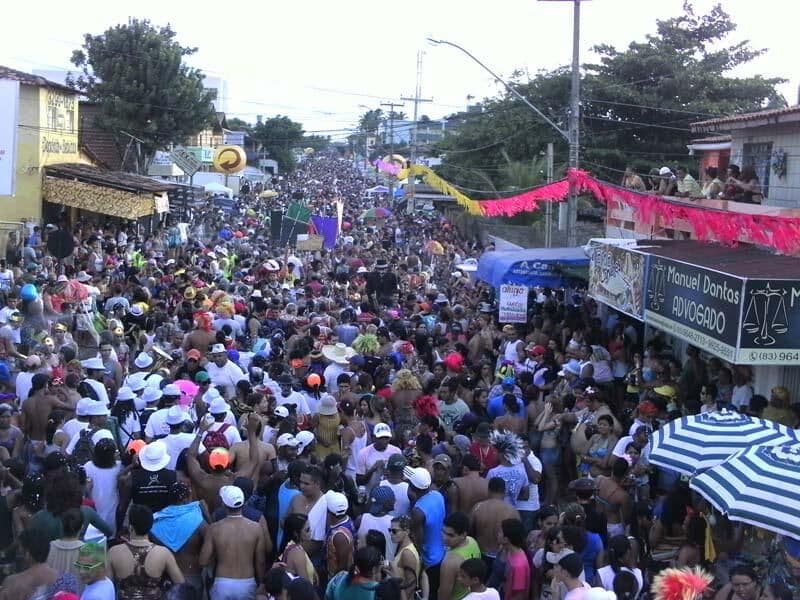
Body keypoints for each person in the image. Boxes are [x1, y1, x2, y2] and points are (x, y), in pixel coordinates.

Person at [200, 485, 266, 600]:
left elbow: (203, 561)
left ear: (223, 504)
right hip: (247, 583)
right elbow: (260, 561)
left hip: (222, 584)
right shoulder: (256, 528)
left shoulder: (214, 529)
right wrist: (261, 583)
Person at [107, 504, 185, 599]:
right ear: (150, 526)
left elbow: (106, 588)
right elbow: (181, 584)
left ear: (130, 527)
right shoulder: (163, 553)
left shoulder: (114, 552)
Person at [405, 465, 446, 599]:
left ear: (412, 487)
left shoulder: (418, 511)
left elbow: (419, 541)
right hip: (442, 552)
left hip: (429, 560)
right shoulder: (437, 495)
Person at [469, 478, 520, 571]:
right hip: (502, 558)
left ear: (488, 490)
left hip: (480, 554)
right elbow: (517, 539)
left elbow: (469, 532)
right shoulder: (512, 511)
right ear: (504, 492)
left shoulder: (478, 507)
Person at [0, 528, 60, 600]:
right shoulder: (64, 579)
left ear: (27, 554)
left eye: (19, 549)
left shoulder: (11, 583)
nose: (18, 553)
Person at [439, 512, 482, 600]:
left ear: (463, 535)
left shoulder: (449, 562)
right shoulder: (472, 541)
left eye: (450, 535)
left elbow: (444, 594)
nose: (444, 538)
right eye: (443, 532)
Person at [390, 516, 427, 600]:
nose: (391, 534)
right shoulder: (402, 547)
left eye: (394, 531)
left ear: (406, 531)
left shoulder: (407, 553)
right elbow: (423, 574)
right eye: (390, 530)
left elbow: (411, 585)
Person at [280, 513, 319, 586]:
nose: (310, 532)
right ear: (296, 533)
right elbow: (305, 586)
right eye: (307, 530)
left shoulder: (293, 546)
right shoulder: (297, 553)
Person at [498, 519, 529, 600]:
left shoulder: (519, 566)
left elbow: (518, 596)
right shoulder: (507, 550)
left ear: (506, 539)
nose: (497, 534)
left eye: (500, 532)